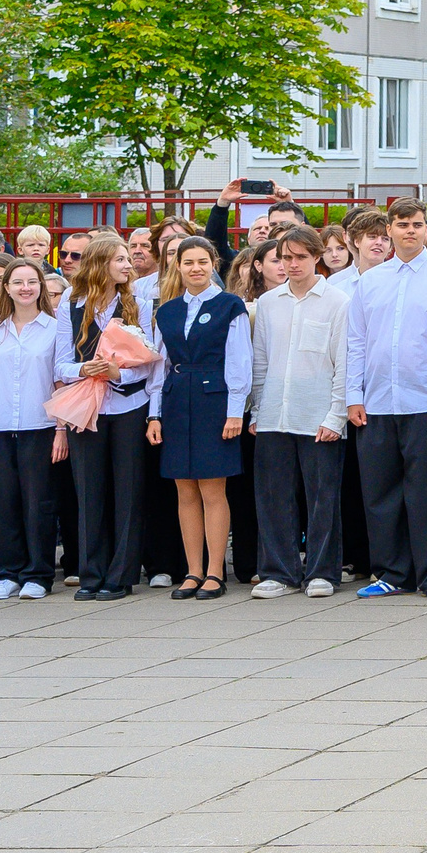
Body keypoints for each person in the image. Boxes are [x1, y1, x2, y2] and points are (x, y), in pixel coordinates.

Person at [349, 200, 427, 601]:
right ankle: (390, 572)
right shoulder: (370, 281)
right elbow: (356, 342)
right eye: (402, 225)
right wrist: (354, 395)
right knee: (380, 492)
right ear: (389, 229)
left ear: (426, 229)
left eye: (417, 225)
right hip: (379, 400)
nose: (410, 231)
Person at [246, 225, 350, 600]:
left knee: (323, 497)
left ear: (316, 256)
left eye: (299, 257)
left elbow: (344, 363)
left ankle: (323, 571)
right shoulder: (270, 302)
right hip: (274, 413)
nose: (291, 264)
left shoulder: (338, 302)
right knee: (274, 495)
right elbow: (260, 361)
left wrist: (335, 416)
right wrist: (257, 409)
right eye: (284, 258)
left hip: (318, 414)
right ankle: (279, 570)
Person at [146, 238, 249, 602]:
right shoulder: (167, 311)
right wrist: (153, 414)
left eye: (202, 261)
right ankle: (192, 570)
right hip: (176, 402)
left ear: (214, 263)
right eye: (187, 262)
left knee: (212, 488)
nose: (195, 268)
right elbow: (158, 366)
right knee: (184, 488)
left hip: (213, 402)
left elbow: (240, 361)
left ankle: (215, 572)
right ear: (177, 266)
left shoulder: (229, 305)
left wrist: (235, 410)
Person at [52, 234, 154, 602]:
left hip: (128, 406)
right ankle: (90, 574)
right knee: (88, 491)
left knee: (128, 492)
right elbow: (60, 361)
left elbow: (150, 362)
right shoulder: (70, 303)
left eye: (128, 258)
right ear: (100, 264)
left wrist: (118, 375)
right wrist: (85, 368)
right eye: (120, 259)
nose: (128, 265)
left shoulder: (140, 304)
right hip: (85, 408)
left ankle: (121, 575)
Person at [0, 259, 64, 601]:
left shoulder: (55, 330)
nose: (25, 288)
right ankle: (5, 573)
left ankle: (38, 574)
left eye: (32, 282)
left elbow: (59, 383)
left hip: (40, 427)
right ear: (5, 288)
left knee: (38, 502)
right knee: (3, 502)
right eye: (17, 282)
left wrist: (61, 430)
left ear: (41, 287)